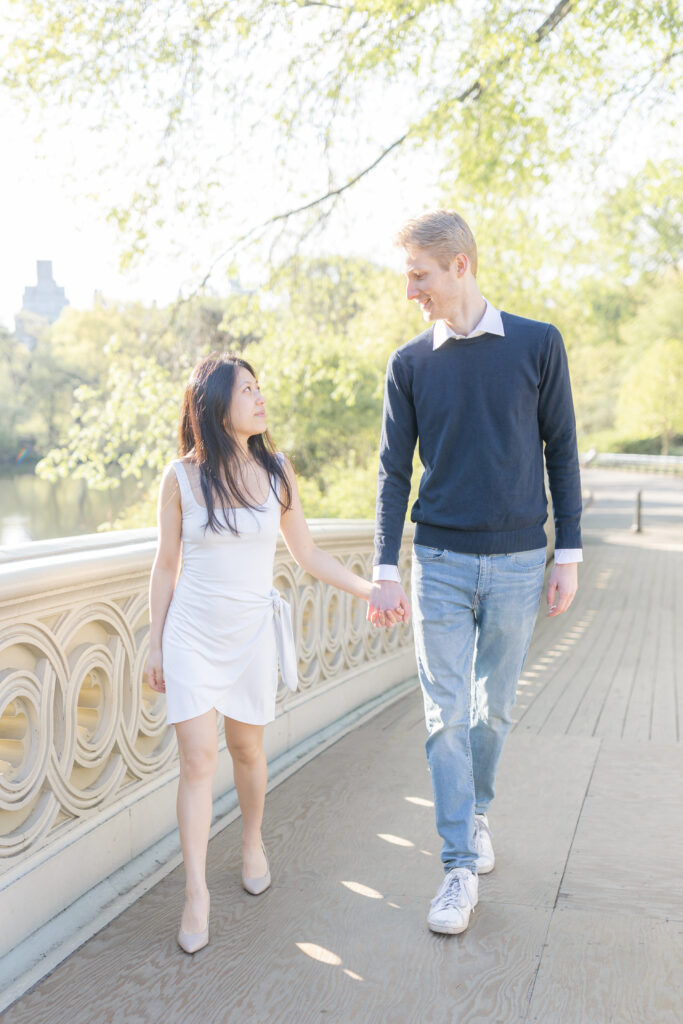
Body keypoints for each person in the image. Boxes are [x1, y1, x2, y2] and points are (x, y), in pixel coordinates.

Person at [367, 209, 582, 936]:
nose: (410, 292)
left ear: (459, 265)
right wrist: (383, 566)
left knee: (492, 709)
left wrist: (568, 554)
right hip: (438, 562)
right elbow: (393, 471)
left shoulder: (536, 343)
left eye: (418, 275)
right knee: (442, 714)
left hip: (522, 560)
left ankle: (477, 810)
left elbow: (562, 453)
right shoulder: (410, 364)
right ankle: (457, 864)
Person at [145, 354, 397, 954]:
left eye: (261, 387)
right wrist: (154, 643)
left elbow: (308, 554)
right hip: (191, 636)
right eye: (247, 390)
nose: (260, 398)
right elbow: (165, 565)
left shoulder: (279, 470)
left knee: (247, 747)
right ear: (215, 405)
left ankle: (252, 840)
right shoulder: (180, 478)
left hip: (252, 632)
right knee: (199, 760)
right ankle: (196, 893)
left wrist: (371, 588)